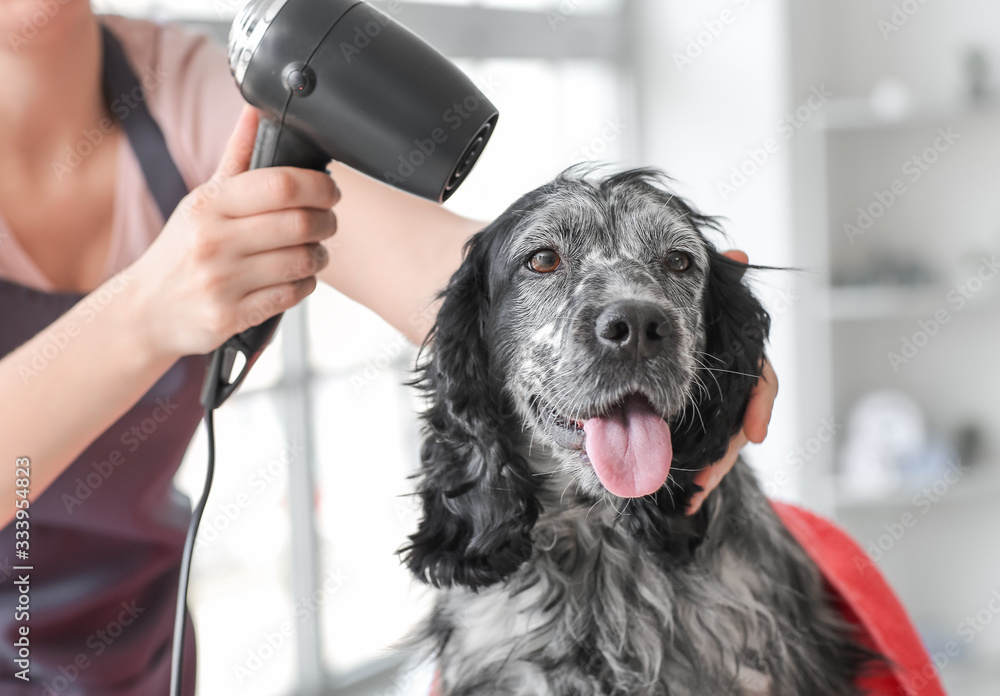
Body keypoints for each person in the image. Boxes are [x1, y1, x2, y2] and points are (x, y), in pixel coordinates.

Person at [0, 1, 777, 693]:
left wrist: (661, 308)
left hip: (140, 644)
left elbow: (448, 284)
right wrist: (142, 312)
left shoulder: (179, 85)